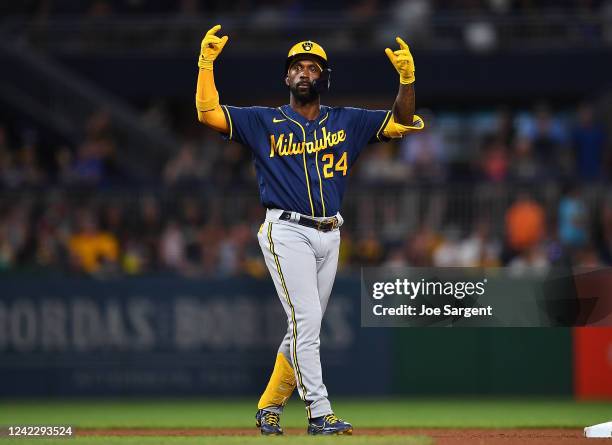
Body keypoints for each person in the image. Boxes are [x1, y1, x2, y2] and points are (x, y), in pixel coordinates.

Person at [194, 25, 424, 436]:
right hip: (286, 230)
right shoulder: (263, 121)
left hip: (330, 233)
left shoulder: (348, 121)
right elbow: (208, 113)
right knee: (306, 320)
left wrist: (407, 81)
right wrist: (205, 64)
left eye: (312, 67)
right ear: (286, 78)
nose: (304, 72)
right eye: (297, 67)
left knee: (306, 326)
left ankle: (269, 406)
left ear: (324, 77)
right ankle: (319, 412)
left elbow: (401, 122)